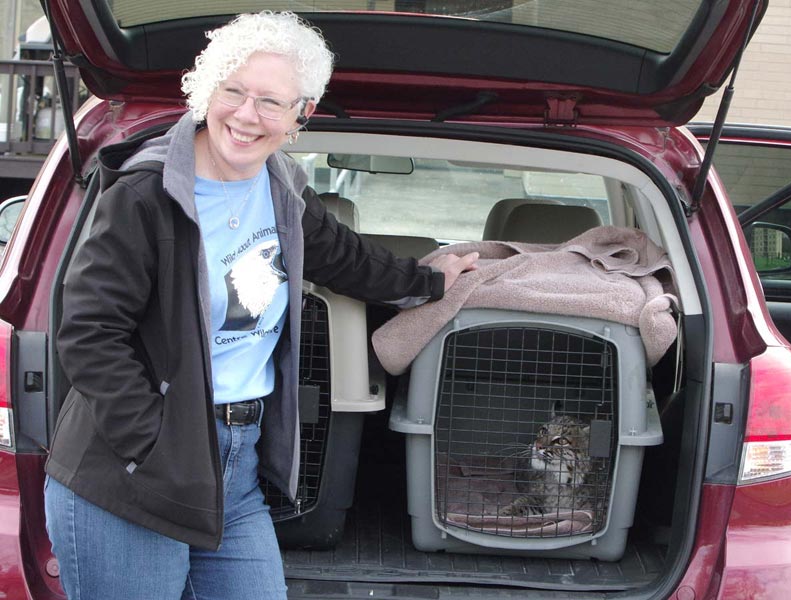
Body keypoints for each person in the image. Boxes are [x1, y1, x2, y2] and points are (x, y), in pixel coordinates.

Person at [43, 11, 478, 600]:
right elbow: (89, 332)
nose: (247, 116)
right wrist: (152, 443)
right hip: (129, 476)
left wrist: (430, 282)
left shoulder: (281, 187)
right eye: (233, 92)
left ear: (302, 114)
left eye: (271, 102)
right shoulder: (146, 195)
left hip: (235, 465)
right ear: (207, 91)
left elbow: (344, 258)